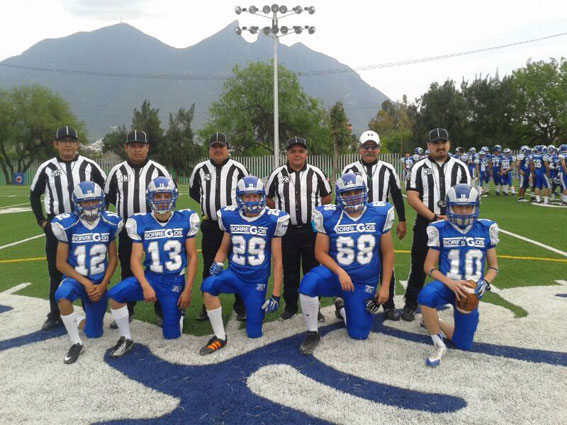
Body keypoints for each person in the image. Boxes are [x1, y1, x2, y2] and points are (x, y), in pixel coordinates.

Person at [297, 172, 394, 355]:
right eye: (347, 193)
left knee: (359, 334)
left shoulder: (379, 213)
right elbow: (320, 253)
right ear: (339, 195)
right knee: (308, 283)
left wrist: (385, 286)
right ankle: (312, 332)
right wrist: (340, 271)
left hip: (363, 282)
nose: (352, 196)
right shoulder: (328, 215)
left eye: (356, 191)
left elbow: (388, 252)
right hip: (335, 275)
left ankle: (342, 308)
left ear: (364, 191)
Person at [107, 177, 199, 357]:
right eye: (158, 196)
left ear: (173, 196)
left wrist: (187, 290)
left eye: (167, 195)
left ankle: (177, 313)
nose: (163, 199)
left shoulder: (185, 219)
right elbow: (135, 260)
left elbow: (193, 256)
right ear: (150, 198)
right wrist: (145, 285)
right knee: (115, 295)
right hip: (151, 277)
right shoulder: (140, 222)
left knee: (172, 335)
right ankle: (126, 337)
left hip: (174, 281)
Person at [199, 176, 289, 355]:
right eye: (247, 196)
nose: (252, 200)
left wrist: (276, 295)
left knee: (254, 333)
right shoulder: (230, 216)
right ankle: (219, 336)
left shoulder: (273, 219)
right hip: (234, 274)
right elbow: (224, 248)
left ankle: (253, 316)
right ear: (238, 198)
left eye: (255, 196)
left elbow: (278, 261)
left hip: (256, 282)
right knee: (208, 285)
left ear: (262, 196)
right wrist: (217, 262)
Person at [30, 126, 107, 331]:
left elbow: (105, 191)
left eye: (71, 140)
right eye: (63, 141)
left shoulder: (89, 165)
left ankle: (88, 308)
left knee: (87, 268)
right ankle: (55, 313)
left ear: (77, 143)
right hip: (56, 225)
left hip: (84, 225)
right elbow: (34, 195)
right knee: (56, 271)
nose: (68, 144)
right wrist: (42, 222)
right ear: (56, 144)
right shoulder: (46, 167)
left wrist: (98, 219)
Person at [418, 184, 499, 367]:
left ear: (475, 206)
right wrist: (451, 283)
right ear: (449, 207)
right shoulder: (440, 228)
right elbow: (429, 267)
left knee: (463, 344)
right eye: (458, 207)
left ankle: (433, 320)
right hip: (447, 285)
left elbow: (493, 267)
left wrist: (484, 283)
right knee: (426, 295)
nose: (463, 212)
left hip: (470, 291)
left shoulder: (486, 228)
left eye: (468, 207)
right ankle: (438, 345)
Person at [402, 128, 471, 322]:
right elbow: (412, 197)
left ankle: (451, 300)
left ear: (449, 143)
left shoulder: (460, 167)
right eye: (436, 143)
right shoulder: (418, 167)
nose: (440, 146)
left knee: (452, 265)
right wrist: (433, 217)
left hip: (454, 224)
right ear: (428, 146)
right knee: (419, 264)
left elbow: (467, 196)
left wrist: (454, 217)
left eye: (443, 142)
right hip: (427, 222)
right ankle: (411, 302)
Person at [105, 130, 171, 326]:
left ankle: (161, 310)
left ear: (147, 147)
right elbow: (108, 198)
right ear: (126, 148)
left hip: (154, 230)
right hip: (127, 230)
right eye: (132, 146)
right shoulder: (116, 171)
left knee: (159, 268)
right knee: (127, 270)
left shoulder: (158, 170)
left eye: (140, 146)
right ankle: (128, 310)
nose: (137, 149)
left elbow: (169, 195)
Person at [52, 182, 122, 364]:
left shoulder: (109, 223)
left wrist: (103, 284)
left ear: (101, 201)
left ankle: (80, 317)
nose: (90, 205)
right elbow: (60, 264)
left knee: (95, 333)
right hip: (76, 279)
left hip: (98, 282)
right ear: (77, 203)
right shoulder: (68, 225)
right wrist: (86, 283)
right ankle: (75, 342)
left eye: (94, 201)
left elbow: (113, 258)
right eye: (85, 202)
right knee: (62, 296)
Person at [341, 130, 406, 320]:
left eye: (373, 147)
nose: (369, 150)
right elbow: (342, 197)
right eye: (366, 147)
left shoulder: (388, 169)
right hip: (356, 224)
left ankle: (389, 304)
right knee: (354, 261)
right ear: (359, 149)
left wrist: (402, 220)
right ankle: (350, 300)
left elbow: (396, 195)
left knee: (386, 262)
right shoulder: (349, 169)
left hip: (380, 224)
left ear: (378, 149)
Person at [266, 136, 332, 320]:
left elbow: (327, 197)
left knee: (313, 269)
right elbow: (268, 199)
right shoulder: (277, 174)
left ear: (306, 153)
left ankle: (314, 307)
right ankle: (291, 306)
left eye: (300, 151)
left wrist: (311, 211)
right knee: (290, 270)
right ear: (286, 154)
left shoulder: (316, 173)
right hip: (287, 231)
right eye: (293, 151)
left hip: (311, 230)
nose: (297, 154)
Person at [189, 132, 249, 321]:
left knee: (238, 264)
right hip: (211, 225)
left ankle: (241, 306)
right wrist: (211, 205)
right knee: (209, 265)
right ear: (209, 149)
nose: (218, 149)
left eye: (221, 146)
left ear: (227, 148)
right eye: (214, 146)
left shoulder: (238, 169)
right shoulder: (200, 168)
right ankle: (207, 305)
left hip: (233, 226)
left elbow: (246, 192)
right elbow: (194, 192)